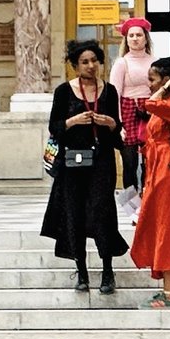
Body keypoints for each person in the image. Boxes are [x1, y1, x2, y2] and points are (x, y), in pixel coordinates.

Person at [43, 38, 127, 293]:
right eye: (84, 62)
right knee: (74, 213)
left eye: (94, 61)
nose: (91, 66)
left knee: (103, 212)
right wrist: (73, 121)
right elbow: (54, 127)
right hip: (72, 161)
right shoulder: (63, 91)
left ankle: (108, 271)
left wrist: (112, 124)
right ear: (75, 66)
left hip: (101, 161)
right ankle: (81, 271)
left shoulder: (110, 90)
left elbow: (116, 133)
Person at [128, 56, 170, 308]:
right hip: (157, 170)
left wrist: (166, 88)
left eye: (153, 79)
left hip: (167, 172)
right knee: (164, 227)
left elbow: (147, 105)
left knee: (169, 229)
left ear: (167, 80)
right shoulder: (168, 103)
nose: (150, 84)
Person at [112, 17, 156, 211]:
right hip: (128, 111)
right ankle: (131, 208)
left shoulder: (155, 62)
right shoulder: (121, 63)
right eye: (131, 36)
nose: (135, 39)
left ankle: (148, 203)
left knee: (150, 161)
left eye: (139, 35)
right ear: (126, 39)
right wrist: (118, 124)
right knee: (129, 163)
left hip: (149, 112)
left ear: (146, 38)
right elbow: (114, 94)